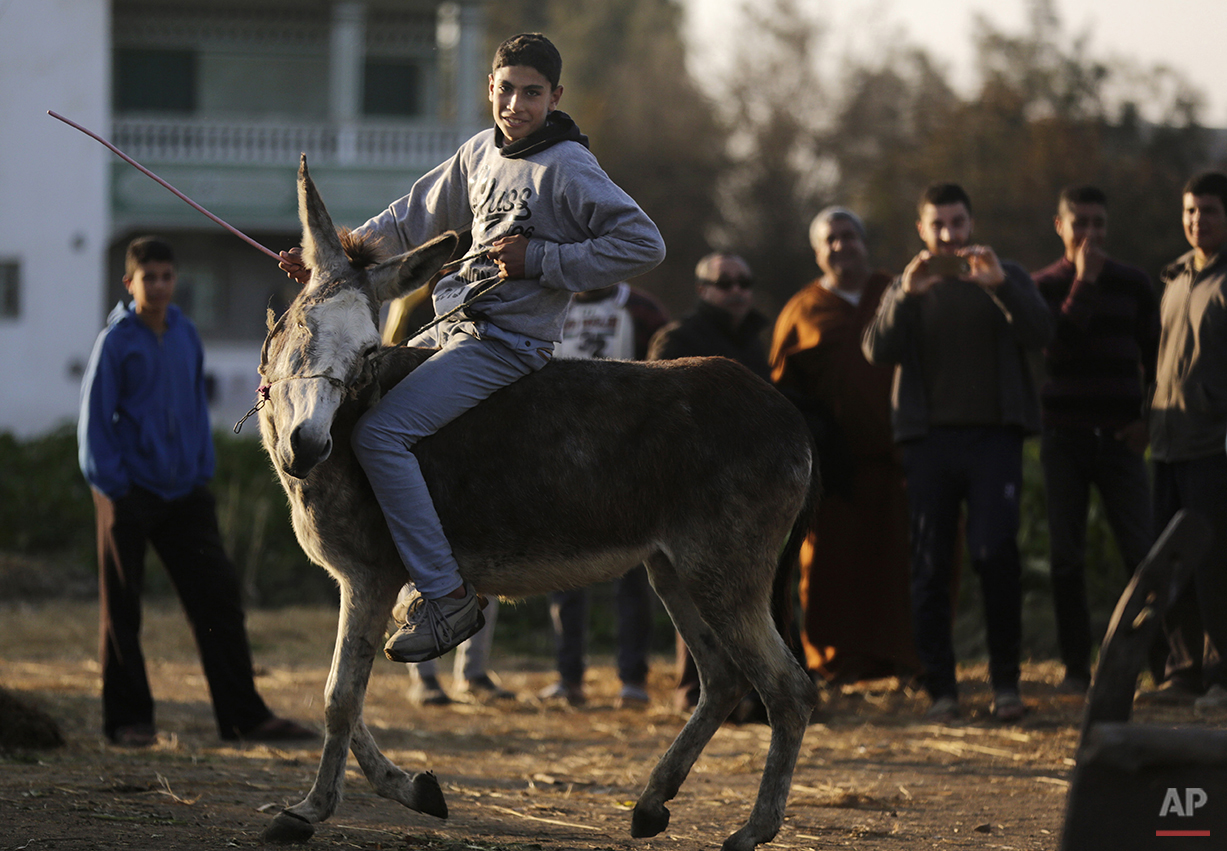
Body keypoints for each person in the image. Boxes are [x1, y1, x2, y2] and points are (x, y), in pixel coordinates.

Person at [278, 33, 665, 665]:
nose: (516, 104)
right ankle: (397, 558)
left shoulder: (568, 166)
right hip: (450, 330)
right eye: (506, 89)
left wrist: (540, 258)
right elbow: (407, 220)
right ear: (490, 87)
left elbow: (644, 245)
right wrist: (331, 263)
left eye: (532, 94)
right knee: (357, 390)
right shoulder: (479, 152)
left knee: (379, 436)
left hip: (506, 344)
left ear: (555, 97)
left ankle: (448, 594)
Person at [79, 236, 316, 747]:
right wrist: (115, 487)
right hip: (130, 493)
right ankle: (128, 721)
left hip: (185, 491)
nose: (161, 286)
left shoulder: (185, 333)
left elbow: (191, 405)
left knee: (218, 601)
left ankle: (244, 717)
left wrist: (201, 467)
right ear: (130, 284)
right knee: (123, 609)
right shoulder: (115, 342)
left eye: (167, 276)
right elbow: (95, 424)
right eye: (150, 278)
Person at [862, 183, 1053, 723]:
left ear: (972, 223)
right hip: (929, 443)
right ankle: (942, 688)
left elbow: (1042, 332)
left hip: (995, 439)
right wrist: (906, 294)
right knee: (930, 562)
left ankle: (1006, 685)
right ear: (922, 230)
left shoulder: (1004, 274)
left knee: (997, 555)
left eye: (957, 223)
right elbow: (877, 349)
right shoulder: (910, 283)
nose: (949, 235)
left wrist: (1000, 287)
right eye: (938, 225)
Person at [770, 207, 917, 686]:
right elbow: (781, 391)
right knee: (830, 566)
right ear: (817, 251)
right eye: (830, 239)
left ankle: (903, 657)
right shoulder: (802, 310)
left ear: (863, 240)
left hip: (899, 457)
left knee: (902, 561)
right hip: (834, 467)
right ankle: (834, 662)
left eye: (849, 235)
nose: (841, 245)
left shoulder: (897, 292)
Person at [1031, 185, 1160, 695]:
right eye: (1079, 222)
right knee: (1067, 556)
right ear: (1059, 226)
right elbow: (1058, 349)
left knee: (1143, 552)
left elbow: (1156, 355)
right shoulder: (1041, 286)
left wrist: (1148, 419)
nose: (1090, 233)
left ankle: (1158, 660)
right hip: (1065, 439)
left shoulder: (1133, 284)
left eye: (1099, 224)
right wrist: (1083, 283)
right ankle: (1076, 668)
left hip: (1122, 440)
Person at [648, 252, 770, 714]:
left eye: (744, 281)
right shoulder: (678, 339)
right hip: (694, 489)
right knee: (695, 588)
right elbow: (659, 413)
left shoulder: (754, 341)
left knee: (749, 590)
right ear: (703, 290)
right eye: (725, 283)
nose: (737, 291)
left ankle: (751, 691)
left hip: (749, 487)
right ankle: (694, 689)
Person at [537, 283, 669, 707]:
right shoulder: (546, 306)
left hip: (625, 466)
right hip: (560, 463)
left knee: (633, 573)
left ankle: (633, 679)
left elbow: (667, 382)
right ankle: (568, 677)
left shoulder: (642, 309)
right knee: (563, 575)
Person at [1147, 171, 1227, 713]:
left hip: (1211, 444)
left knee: (1216, 563)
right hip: (1168, 442)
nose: (1198, 220)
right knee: (1171, 562)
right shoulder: (1176, 277)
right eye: (1191, 210)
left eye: (1210, 211)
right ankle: (1184, 671)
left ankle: (1223, 677)